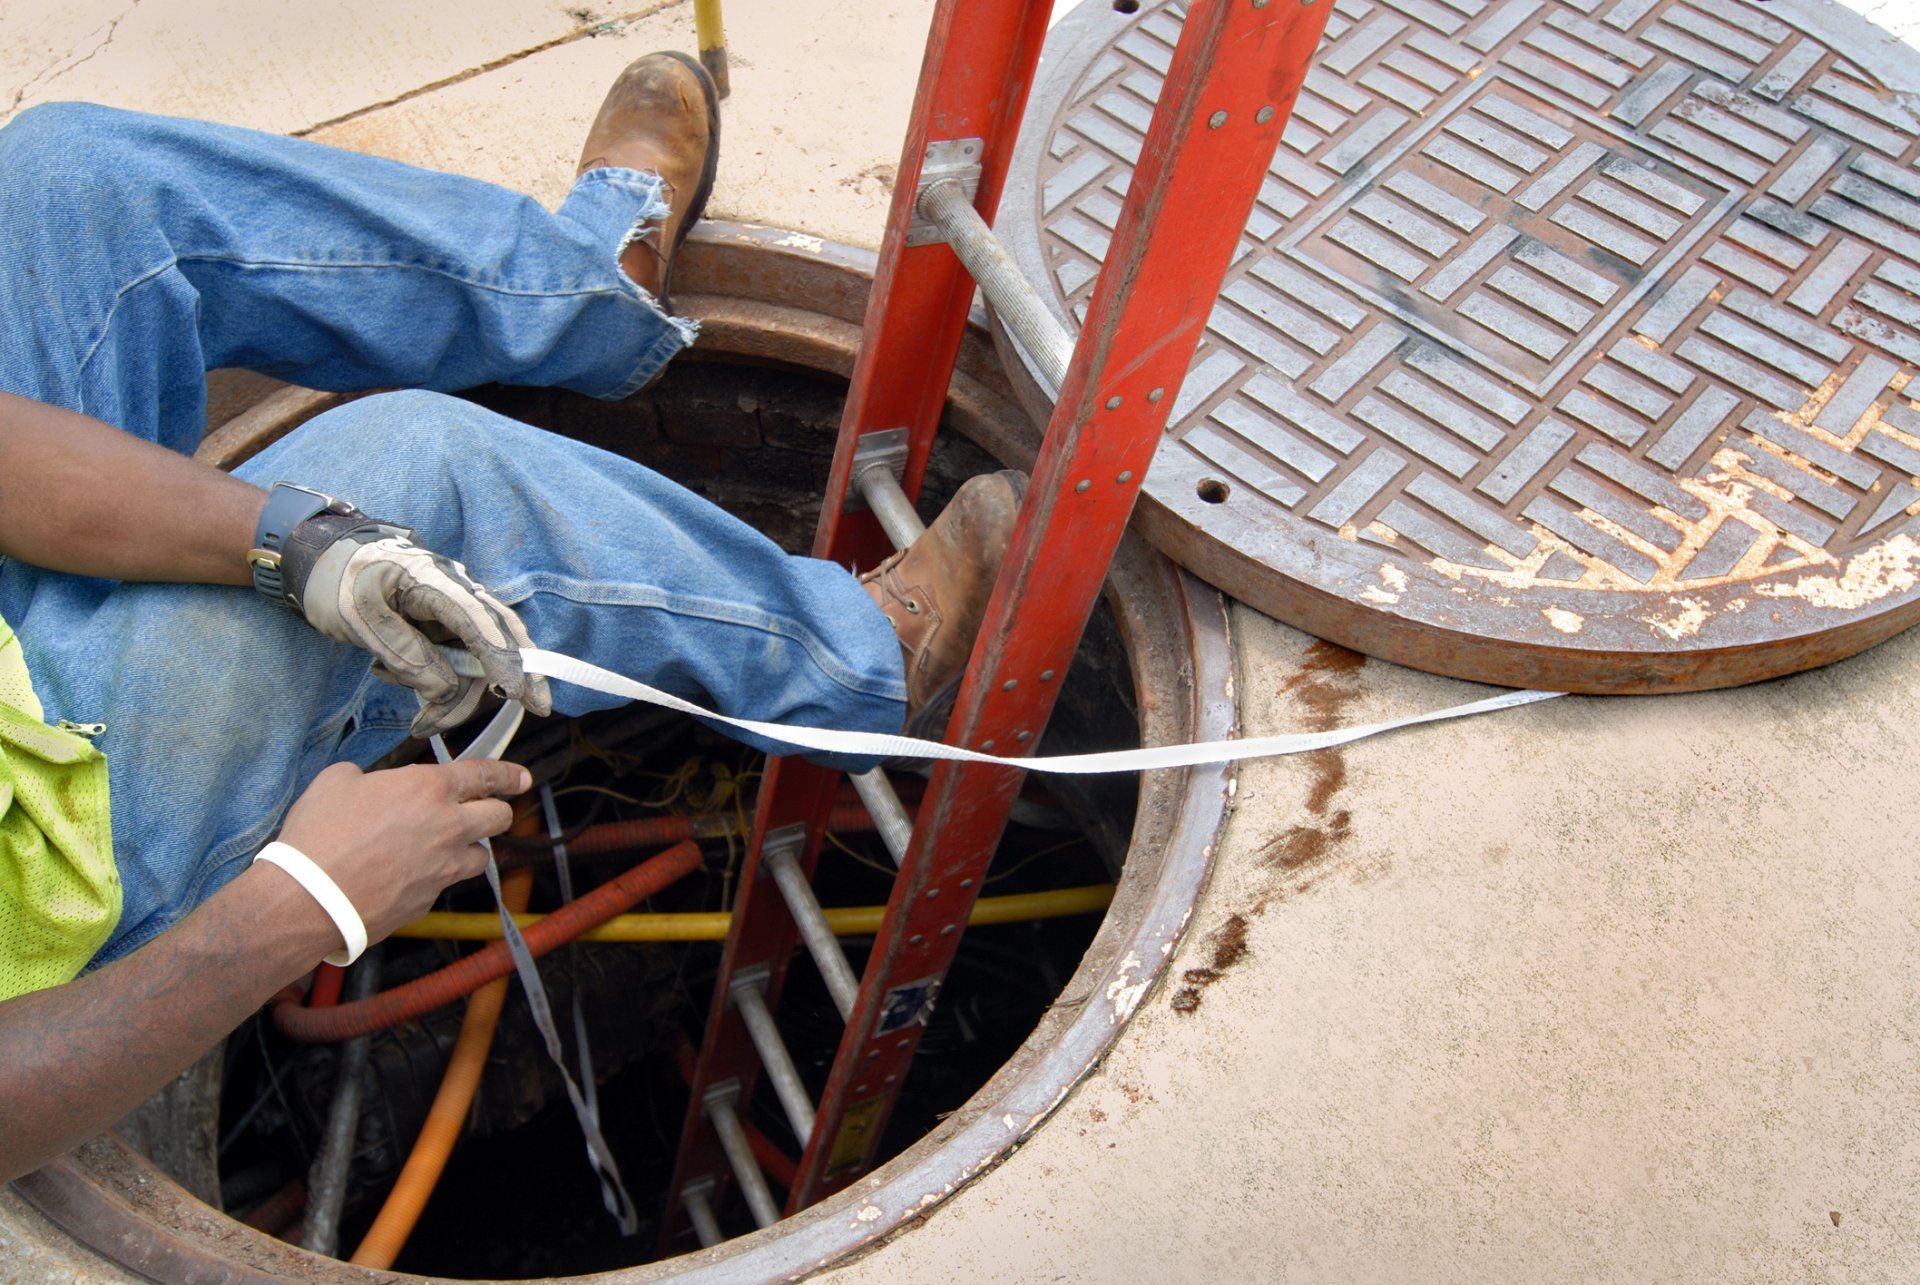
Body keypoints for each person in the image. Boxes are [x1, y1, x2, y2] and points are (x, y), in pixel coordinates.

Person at [0, 53, 1022, 1183]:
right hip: (45, 866)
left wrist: (300, 542)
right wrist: (302, 906)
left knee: (72, 183)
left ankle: (585, 293)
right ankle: (857, 661)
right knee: (420, 464)